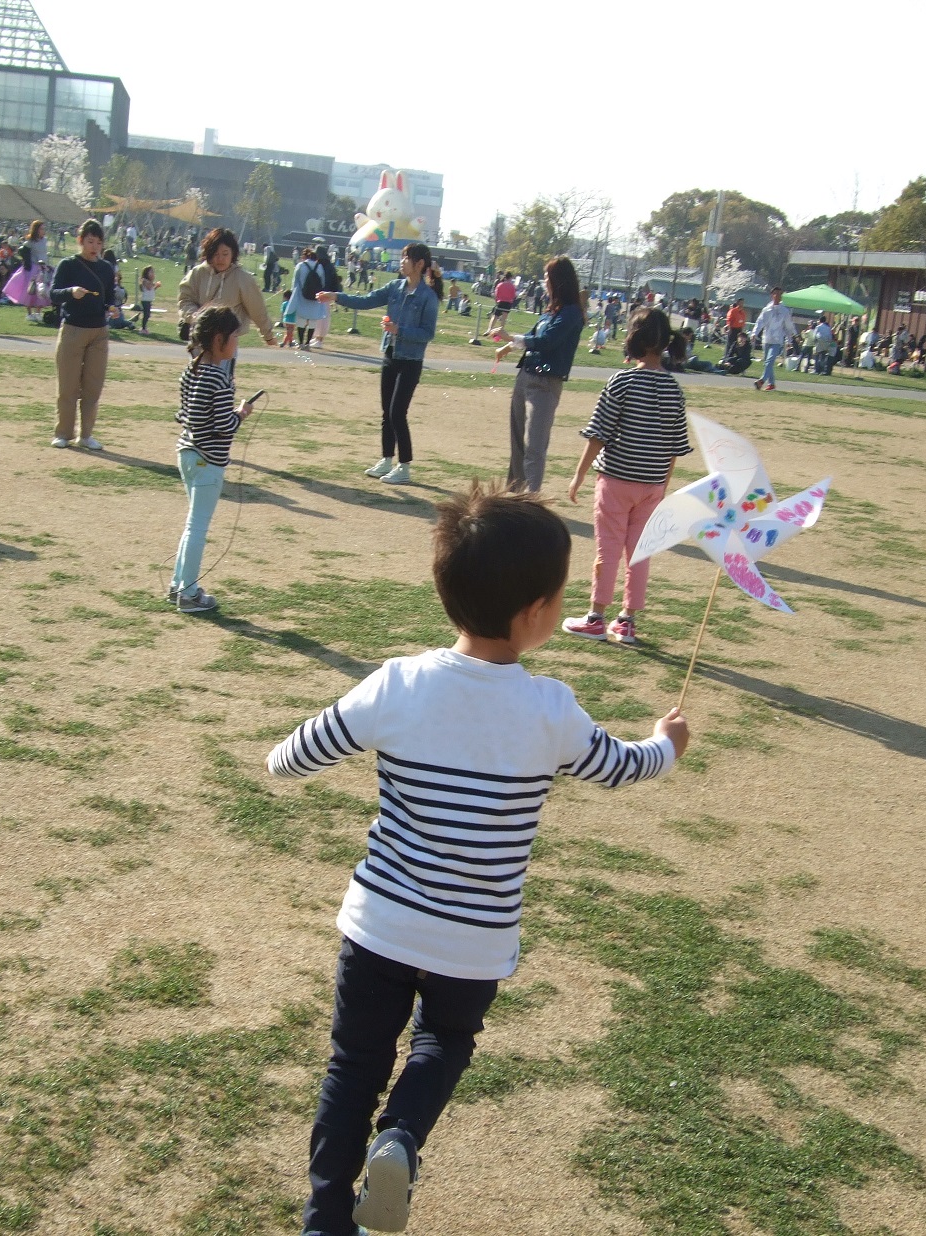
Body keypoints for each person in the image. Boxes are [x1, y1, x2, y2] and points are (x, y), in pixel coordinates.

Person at [268, 480, 688, 1236]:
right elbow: (624, 767)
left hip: (382, 922)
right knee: (445, 1041)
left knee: (352, 1066)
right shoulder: (550, 709)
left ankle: (325, 1219)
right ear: (535, 615)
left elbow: (293, 758)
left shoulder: (398, 683)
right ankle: (400, 1138)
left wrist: (289, 757)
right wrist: (667, 744)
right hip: (475, 938)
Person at [562, 308, 692, 645]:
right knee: (639, 552)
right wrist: (662, 484)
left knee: (607, 549)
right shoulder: (673, 388)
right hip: (652, 484)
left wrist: (578, 475)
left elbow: (599, 434)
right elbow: (675, 445)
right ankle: (627, 621)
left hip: (616, 479)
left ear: (634, 338)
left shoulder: (622, 381)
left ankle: (595, 616)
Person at [319, 242, 443, 486]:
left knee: (398, 413)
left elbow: (428, 333)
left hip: (411, 361)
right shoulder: (395, 287)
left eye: (407, 258)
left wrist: (400, 330)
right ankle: (386, 459)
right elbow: (367, 300)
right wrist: (336, 296)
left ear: (419, 264)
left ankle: (404, 466)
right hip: (390, 355)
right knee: (386, 413)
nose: (402, 261)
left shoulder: (428, 297)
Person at [168, 306, 257, 615]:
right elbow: (224, 426)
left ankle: (179, 584)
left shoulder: (191, 371)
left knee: (192, 524)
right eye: (234, 336)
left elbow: (186, 414)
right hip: (208, 461)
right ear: (219, 339)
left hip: (188, 454)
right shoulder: (219, 379)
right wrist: (240, 414)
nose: (237, 343)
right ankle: (189, 593)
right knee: (197, 527)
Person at [493, 255, 586, 494]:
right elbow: (533, 333)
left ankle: (530, 501)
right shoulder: (549, 311)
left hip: (546, 384)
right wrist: (508, 346)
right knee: (517, 442)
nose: (545, 281)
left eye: (547, 277)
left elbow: (548, 341)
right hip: (525, 377)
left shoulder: (572, 313)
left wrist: (511, 338)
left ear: (559, 280)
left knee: (534, 446)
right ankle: (514, 495)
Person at [50, 219, 117, 450]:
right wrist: (71, 292)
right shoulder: (68, 265)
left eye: (98, 242)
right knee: (68, 385)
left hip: (99, 331)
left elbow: (109, 296)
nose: (94, 247)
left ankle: (86, 434)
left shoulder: (107, 268)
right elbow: (54, 294)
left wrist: (112, 306)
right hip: (73, 328)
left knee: (93, 386)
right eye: (90, 241)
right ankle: (63, 433)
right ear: (80, 241)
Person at [176, 227, 277, 364]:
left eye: (225, 254)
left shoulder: (243, 279)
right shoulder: (197, 273)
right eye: (216, 254)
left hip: (226, 342)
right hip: (199, 339)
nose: (220, 259)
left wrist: (269, 336)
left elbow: (257, 310)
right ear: (209, 253)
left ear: (233, 254)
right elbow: (185, 298)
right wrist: (194, 315)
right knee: (198, 379)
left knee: (220, 381)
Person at [2, 220, 52, 323]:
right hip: (33, 267)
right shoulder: (30, 242)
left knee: (42, 290)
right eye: (41, 229)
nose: (43, 231)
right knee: (30, 290)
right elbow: (23, 251)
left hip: (43, 267)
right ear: (36, 230)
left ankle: (38, 312)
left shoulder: (44, 240)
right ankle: (29, 313)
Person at [751, 287, 796, 391]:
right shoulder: (767, 310)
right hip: (767, 339)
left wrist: (790, 340)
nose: (778, 296)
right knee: (767, 363)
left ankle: (761, 381)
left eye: (780, 294)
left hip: (777, 340)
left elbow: (788, 326)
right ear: (772, 295)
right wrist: (754, 333)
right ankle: (771, 384)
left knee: (770, 361)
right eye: (776, 294)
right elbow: (760, 322)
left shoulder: (784, 311)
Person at [288, 246, 328, 350]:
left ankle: (301, 343)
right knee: (313, 321)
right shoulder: (319, 267)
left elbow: (295, 282)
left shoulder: (301, 265)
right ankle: (307, 343)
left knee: (301, 320)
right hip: (315, 297)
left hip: (302, 296)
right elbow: (322, 282)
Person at [138, 265, 159, 334]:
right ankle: (143, 328)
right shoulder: (145, 280)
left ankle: (144, 327)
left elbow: (152, 289)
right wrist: (153, 282)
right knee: (146, 314)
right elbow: (149, 287)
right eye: (151, 272)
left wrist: (156, 286)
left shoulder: (149, 281)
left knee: (148, 314)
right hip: (145, 300)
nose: (153, 273)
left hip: (149, 300)